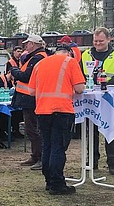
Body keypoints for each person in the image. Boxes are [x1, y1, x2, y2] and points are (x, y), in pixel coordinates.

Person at [28, 44, 86, 195]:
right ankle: (57, 183)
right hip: (62, 110)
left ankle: (49, 180)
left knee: (47, 145)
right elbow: (80, 88)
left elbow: (31, 91)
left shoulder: (40, 63)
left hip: (42, 111)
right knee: (58, 147)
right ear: (69, 53)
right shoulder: (70, 62)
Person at [81, 27, 114, 175]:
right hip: (90, 98)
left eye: (101, 41)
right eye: (95, 41)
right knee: (91, 130)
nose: (98, 43)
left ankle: (112, 162)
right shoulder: (86, 55)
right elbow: (79, 73)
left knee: (110, 129)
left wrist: (104, 86)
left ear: (108, 40)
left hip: (108, 97)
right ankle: (92, 160)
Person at [10, 34, 47, 170]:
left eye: (27, 44)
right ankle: (36, 156)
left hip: (31, 98)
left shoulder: (37, 58)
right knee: (31, 129)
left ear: (33, 44)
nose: (25, 46)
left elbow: (26, 76)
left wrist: (14, 71)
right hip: (30, 97)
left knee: (33, 129)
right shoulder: (39, 57)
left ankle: (40, 157)